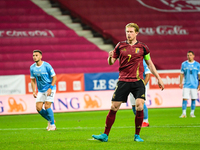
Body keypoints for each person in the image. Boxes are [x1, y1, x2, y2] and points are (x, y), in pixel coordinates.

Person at [92, 23, 164, 142]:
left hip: (137, 81)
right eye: (127, 31)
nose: (129, 34)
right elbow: (111, 62)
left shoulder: (143, 47)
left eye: (131, 32)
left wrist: (159, 78)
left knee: (140, 105)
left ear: (136, 33)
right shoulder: (120, 46)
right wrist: (110, 57)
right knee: (114, 107)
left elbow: (150, 64)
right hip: (123, 81)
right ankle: (105, 135)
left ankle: (137, 135)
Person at [30, 50, 57, 131]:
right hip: (41, 90)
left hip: (50, 87)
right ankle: (50, 120)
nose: (35, 57)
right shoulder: (32, 67)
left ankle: (52, 125)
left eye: (36, 55)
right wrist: (34, 91)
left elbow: (54, 78)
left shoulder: (47, 66)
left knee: (47, 105)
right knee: (38, 108)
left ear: (41, 56)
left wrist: (50, 88)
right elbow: (32, 80)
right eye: (34, 55)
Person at [130, 59, 151, 127]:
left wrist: (143, 85)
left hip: (140, 86)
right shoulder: (129, 61)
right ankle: (140, 120)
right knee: (133, 106)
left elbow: (148, 74)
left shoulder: (142, 63)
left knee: (141, 103)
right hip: (131, 85)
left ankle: (145, 121)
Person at [179, 51, 200, 118]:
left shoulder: (197, 65)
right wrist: (180, 83)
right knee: (185, 98)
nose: (189, 56)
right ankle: (184, 113)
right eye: (188, 55)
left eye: (190, 55)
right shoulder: (184, 64)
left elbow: (199, 75)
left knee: (193, 99)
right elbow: (181, 74)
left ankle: (192, 113)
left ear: (193, 56)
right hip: (186, 85)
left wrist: (199, 84)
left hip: (194, 85)